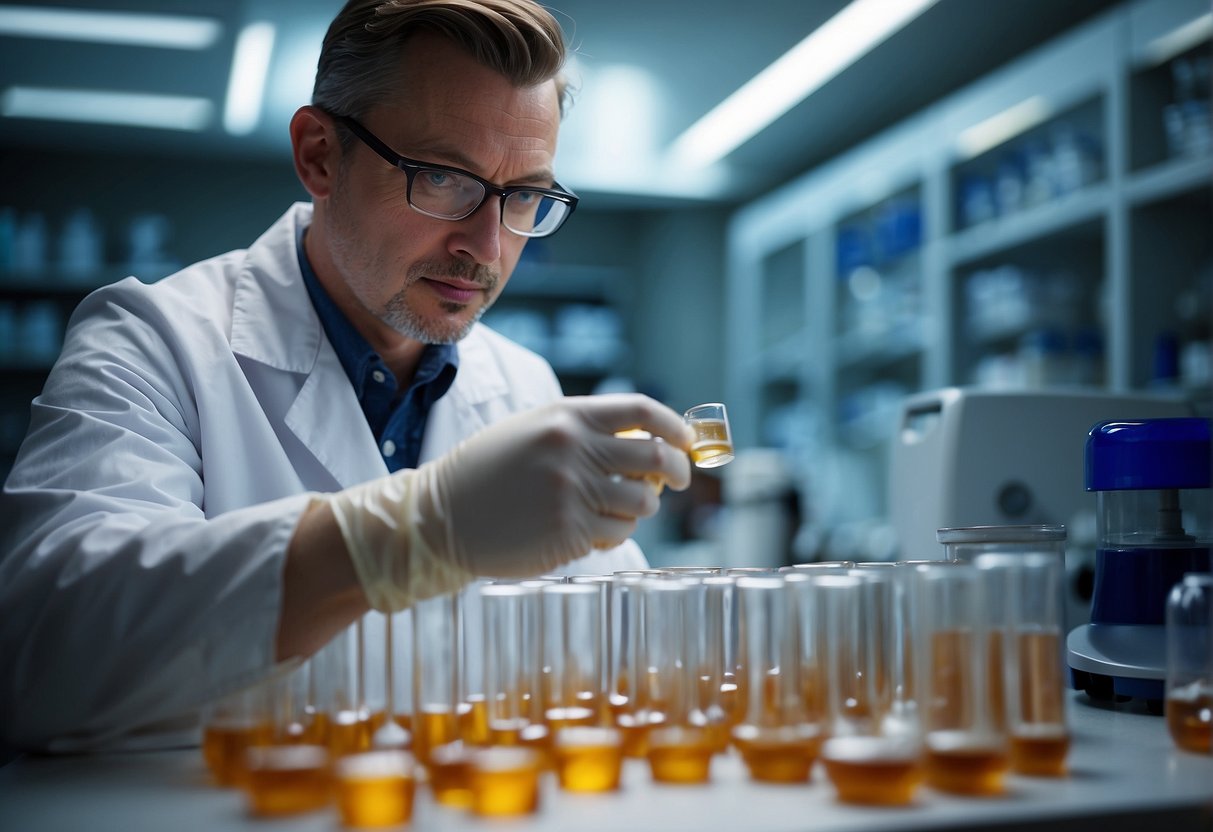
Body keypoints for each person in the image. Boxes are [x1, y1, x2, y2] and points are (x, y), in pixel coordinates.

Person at [0, 0, 694, 753]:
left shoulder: (525, 385)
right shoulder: (153, 342)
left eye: (523, 195)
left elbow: (622, 654)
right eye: (442, 178)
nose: (486, 246)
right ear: (320, 156)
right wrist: (410, 534)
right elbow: (39, 657)